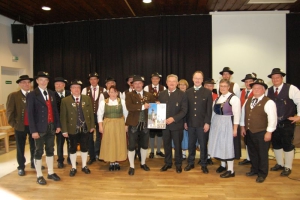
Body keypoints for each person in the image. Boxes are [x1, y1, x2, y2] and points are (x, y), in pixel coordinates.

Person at [27, 71, 61, 185]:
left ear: (48, 81)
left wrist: (57, 125)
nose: (43, 82)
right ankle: (39, 175)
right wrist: (33, 130)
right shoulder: (32, 95)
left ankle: (50, 172)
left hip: (51, 126)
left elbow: (55, 111)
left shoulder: (51, 93)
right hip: (39, 128)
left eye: (45, 80)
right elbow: (30, 114)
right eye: (41, 80)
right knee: (38, 151)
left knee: (50, 150)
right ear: (37, 81)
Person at [240, 79, 277, 183]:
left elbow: (272, 119)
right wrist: (243, 127)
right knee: (252, 152)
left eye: (258, 88)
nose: (255, 90)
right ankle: (254, 169)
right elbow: (244, 114)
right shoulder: (248, 100)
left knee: (262, 154)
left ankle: (262, 173)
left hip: (262, 132)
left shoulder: (269, 102)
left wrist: (269, 132)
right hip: (249, 131)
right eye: (254, 88)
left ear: (263, 90)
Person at [266, 68, 300, 176]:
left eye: (277, 77)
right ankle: (279, 163)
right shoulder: (268, 90)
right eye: (273, 77)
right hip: (273, 123)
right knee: (276, 144)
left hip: (287, 122)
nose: (275, 79)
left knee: (287, 144)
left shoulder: (291, 88)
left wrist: (298, 116)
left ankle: (288, 167)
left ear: (282, 78)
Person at [6, 75, 41, 176]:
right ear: (20, 84)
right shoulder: (14, 96)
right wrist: (14, 124)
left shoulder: (35, 95)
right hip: (20, 126)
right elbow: (9, 112)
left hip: (33, 126)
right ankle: (21, 166)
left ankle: (34, 163)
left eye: (28, 82)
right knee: (20, 147)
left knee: (34, 146)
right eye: (24, 82)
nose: (26, 84)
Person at [60, 80, 95, 177]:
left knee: (85, 147)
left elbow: (91, 113)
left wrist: (92, 125)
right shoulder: (65, 100)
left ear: (80, 89)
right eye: (74, 87)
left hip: (84, 127)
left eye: (78, 88)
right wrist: (64, 130)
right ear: (70, 89)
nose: (76, 89)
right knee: (72, 148)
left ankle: (84, 166)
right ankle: (73, 167)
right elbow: (63, 116)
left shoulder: (87, 98)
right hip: (72, 129)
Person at [208, 79, 241, 178]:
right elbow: (213, 113)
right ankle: (223, 165)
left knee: (227, 145)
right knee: (220, 144)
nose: (222, 88)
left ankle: (231, 170)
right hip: (217, 123)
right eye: (221, 86)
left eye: (224, 86)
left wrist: (235, 129)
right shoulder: (217, 99)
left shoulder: (234, 98)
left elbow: (237, 114)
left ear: (228, 87)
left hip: (227, 124)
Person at [125, 75, 156, 176]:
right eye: (135, 83)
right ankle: (132, 166)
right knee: (131, 146)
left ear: (143, 84)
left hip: (146, 123)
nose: (137, 85)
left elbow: (154, 106)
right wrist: (143, 106)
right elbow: (129, 107)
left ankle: (143, 163)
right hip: (134, 123)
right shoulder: (129, 95)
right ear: (132, 85)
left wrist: (157, 104)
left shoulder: (149, 94)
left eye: (139, 83)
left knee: (144, 145)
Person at [184, 71, 212, 174]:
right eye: (196, 78)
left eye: (199, 78)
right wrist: (185, 122)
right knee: (191, 144)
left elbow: (209, 110)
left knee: (203, 145)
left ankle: (204, 164)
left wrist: (207, 123)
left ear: (202, 80)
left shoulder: (207, 92)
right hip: (190, 123)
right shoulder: (188, 92)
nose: (197, 80)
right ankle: (190, 162)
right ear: (192, 79)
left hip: (202, 124)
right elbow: (186, 109)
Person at [159, 74, 187, 174]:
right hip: (164, 125)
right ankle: (168, 163)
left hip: (177, 124)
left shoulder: (182, 94)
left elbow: (184, 110)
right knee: (166, 145)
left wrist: (173, 118)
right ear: (166, 83)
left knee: (177, 146)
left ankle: (178, 164)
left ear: (177, 83)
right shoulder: (161, 94)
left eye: (173, 81)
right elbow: (159, 109)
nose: (171, 83)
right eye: (169, 81)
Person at [98, 86, 128, 171]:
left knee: (119, 142)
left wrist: (126, 125)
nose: (113, 94)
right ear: (108, 93)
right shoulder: (104, 102)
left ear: (117, 93)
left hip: (119, 124)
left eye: (115, 92)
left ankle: (117, 162)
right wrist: (100, 126)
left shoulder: (122, 101)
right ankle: (111, 162)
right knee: (110, 142)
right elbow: (99, 115)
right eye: (111, 92)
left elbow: (126, 114)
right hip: (108, 124)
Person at [81, 72, 106, 165]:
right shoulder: (85, 90)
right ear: (89, 80)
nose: (93, 81)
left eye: (95, 79)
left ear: (98, 80)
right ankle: (91, 156)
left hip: (100, 116)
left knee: (100, 135)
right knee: (89, 136)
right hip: (89, 117)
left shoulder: (103, 90)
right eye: (91, 79)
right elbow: (82, 104)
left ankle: (99, 154)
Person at [144, 72, 166, 158]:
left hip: (160, 112)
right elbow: (145, 99)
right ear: (151, 79)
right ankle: (152, 151)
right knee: (152, 133)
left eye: (157, 78)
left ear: (159, 79)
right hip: (151, 111)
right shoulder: (147, 87)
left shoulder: (163, 87)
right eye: (153, 78)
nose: (155, 80)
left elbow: (165, 99)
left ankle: (159, 151)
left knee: (160, 132)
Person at [238, 73, 257, 166]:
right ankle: (249, 158)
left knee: (253, 140)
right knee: (246, 139)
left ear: (254, 82)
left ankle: (254, 159)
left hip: (253, 120)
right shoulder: (243, 92)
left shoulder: (257, 91)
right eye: (246, 81)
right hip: (243, 119)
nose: (248, 83)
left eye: (250, 81)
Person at [54, 77, 71, 168]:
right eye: (57, 84)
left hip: (69, 123)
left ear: (64, 85)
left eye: (60, 84)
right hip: (58, 124)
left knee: (70, 142)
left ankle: (70, 158)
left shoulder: (69, 94)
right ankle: (60, 160)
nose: (58, 86)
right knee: (60, 143)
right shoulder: (52, 95)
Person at [172, 79, 189, 160]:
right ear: (178, 86)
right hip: (177, 120)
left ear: (186, 86)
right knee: (177, 138)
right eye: (180, 85)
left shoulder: (189, 95)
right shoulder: (176, 94)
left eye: (184, 85)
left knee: (185, 137)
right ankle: (177, 153)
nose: (182, 86)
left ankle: (184, 153)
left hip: (187, 119)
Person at [203, 78, 218, 165]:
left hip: (214, 121)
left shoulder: (216, 96)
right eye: (207, 85)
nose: (209, 87)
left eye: (211, 86)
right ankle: (204, 156)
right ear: (204, 86)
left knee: (211, 140)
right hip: (204, 121)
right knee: (203, 140)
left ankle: (209, 156)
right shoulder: (201, 95)